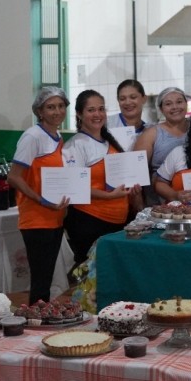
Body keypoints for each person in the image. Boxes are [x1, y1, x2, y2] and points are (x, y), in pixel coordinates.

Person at [63, 90, 141, 277]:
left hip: (118, 222)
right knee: (90, 280)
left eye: (101, 109)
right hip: (89, 221)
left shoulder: (111, 140)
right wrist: (108, 196)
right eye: (91, 110)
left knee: (115, 276)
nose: (97, 114)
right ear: (80, 114)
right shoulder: (75, 145)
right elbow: (75, 186)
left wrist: (132, 186)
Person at [7, 87, 71, 304]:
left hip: (54, 216)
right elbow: (14, 177)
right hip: (36, 218)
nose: (57, 111)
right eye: (51, 107)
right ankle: (33, 325)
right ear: (40, 111)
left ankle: (40, 320)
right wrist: (42, 200)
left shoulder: (57, 136)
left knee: (46, 278)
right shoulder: (32, 136)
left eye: (61, 106)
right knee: (40, 280)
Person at [133, 86, 190, 206]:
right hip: (160, 203)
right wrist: (138, 208)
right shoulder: (151, 134)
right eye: (168, 104)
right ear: (161, 109)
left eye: (179, 102)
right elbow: (136, 175)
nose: (175, 107)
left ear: (186, 103)